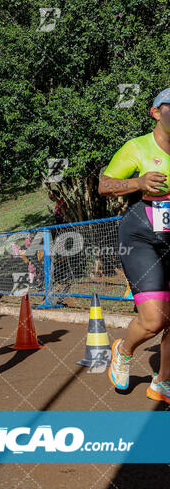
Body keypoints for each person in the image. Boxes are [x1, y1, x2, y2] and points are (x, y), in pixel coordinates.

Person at [99, 88, 170, 403]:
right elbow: (105, 185)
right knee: (155, 320)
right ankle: (124, 349)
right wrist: (138, 183)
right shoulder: (137, 147)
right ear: (155, 112)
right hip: (141, 237)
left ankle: (162, 381)